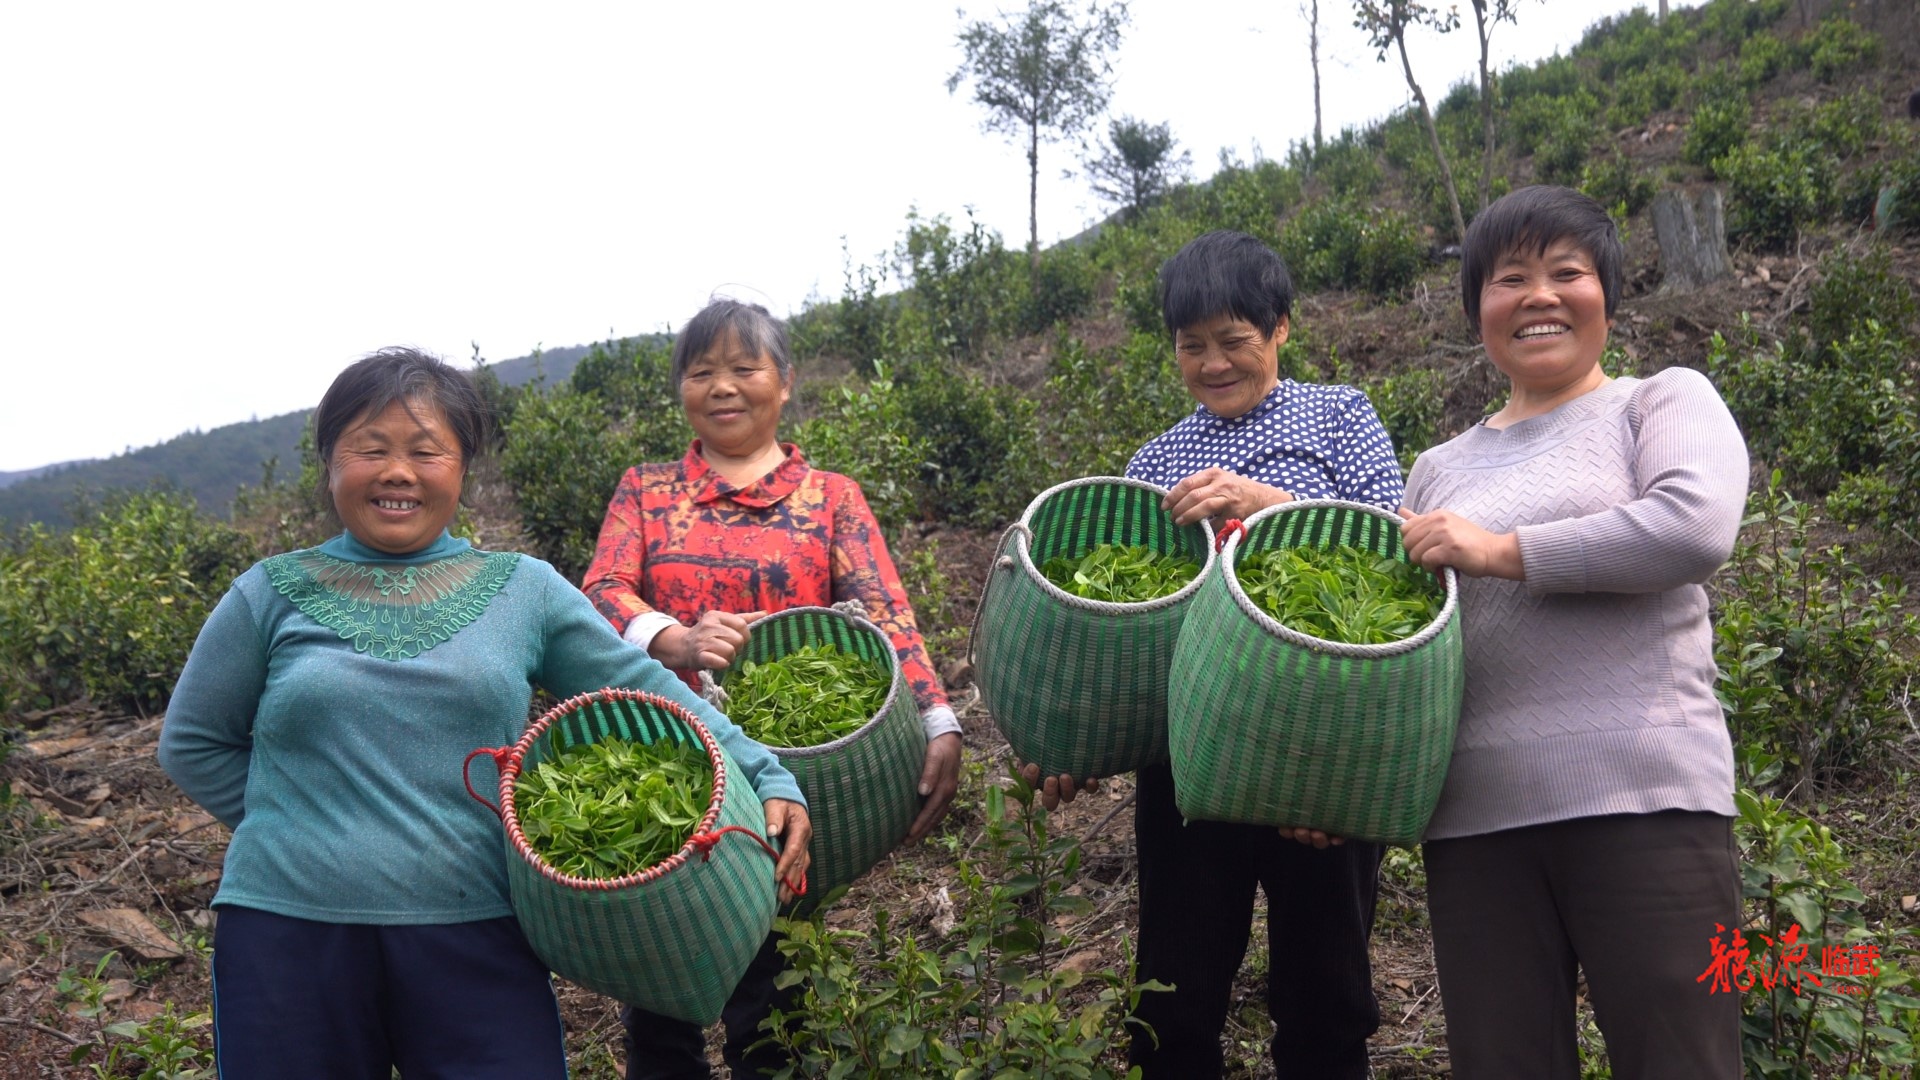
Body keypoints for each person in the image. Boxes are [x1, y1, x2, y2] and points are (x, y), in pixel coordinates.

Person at [157, 348, 811, 1080]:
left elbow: (652, 694)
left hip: (478, 926)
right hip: (287, 934)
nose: (398, 472)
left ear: (463, 468)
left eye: (425, 450)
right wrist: (300, 821)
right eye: (370, 449)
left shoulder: (522, 590)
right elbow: (192, 742)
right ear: (330, 464)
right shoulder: (268, 592)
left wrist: (767, 774)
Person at [1032, 230, 1405, 1078]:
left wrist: (1262, 502)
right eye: (1192, 346)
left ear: (1280, 330)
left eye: (1234, 341)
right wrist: (1072, 739)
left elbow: (1392, 543)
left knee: (1325, 992)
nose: (1213, 363)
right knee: (1175, 991)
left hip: (1321, 745)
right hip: (1191, 752)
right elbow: (1122, 624)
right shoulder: (1158, 459)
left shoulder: (1339, 414)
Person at [1399, 185, 1748, 1078]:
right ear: (1480, 309)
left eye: (1568, 272)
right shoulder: (1437, 468)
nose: (1540, 296)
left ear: (1608, 295)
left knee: (1684, 1061)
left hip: (1647, 802)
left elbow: (1693, 526)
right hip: (1475, 824)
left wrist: (1504, 550)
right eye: (1510, 279)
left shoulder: (1659, 400)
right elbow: (1403, 643)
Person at [580, 298, 964, 1080]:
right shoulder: (649, 492)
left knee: (775, 994)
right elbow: (602, 589)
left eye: (744, 368)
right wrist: (673, 638)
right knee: (662, 1000)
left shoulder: (831, 497)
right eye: (702, 372)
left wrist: (938, 718)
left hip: (794, 774)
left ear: (784, 383)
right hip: (673, 767)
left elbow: (886, 614)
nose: (723, 387)